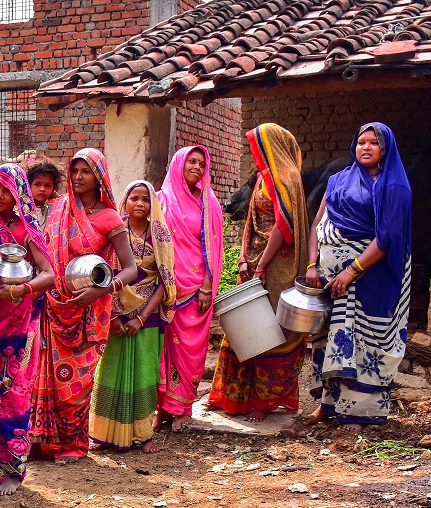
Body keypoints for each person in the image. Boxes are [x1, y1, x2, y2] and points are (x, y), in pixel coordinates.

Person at [30, 149, 139, 464]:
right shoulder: (56, 209)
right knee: (43, 373)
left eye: (86, 171)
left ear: (99, 176)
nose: (77, 177)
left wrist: (102, 289)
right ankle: (39, 440)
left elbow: (130, 269)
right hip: (52, 304)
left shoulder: (109, 218)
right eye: (74, 170)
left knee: (75, 379)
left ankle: (74, 444)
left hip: (88, 311)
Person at [305, 122, 411, 430]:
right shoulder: (338, 180)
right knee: (326, 339)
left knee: (361, 342)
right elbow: (318, 225)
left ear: (385, 149)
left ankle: (359, 413)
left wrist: (351, 271)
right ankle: (327, 405)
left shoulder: (394, 186)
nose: (365, 147)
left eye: (373, 143)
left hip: (368, 279)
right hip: (327, 278)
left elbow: (387, 236)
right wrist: (312, 265)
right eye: (360, 142)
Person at [208, 125, 310, 422]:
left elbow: (283, 226)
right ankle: (232, 396)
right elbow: (252, 220)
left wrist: (263, 264)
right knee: (243, 328)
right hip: (252, 264)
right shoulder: (263, 179)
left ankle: (263, 403)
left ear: (272, 147)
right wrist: (243, 257)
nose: (255, 154)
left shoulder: (286, 179)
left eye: (257, 147)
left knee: (268, 330)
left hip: (275, 265)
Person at [0, 163, 54, 495]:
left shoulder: (26, 230)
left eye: (6, 190)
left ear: (19, 194)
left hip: (19, 327)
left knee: (13, 395)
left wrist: (21, 290)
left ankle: (12, 470)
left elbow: (49, 274)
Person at [89, 181, 177, 453]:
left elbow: (165, 281)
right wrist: (114, 315)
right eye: (134, 198)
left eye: (145, 199)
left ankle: (143, 433)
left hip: (147, 315)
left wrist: (140, 317)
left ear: (153, 205)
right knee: (110, 370)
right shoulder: (114, 233)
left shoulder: (160, 235)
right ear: (124, 202)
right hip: (112, 312)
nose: (140, 203)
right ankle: (102, 434)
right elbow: (102, 273)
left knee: (144, 371)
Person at [157, 146, 224, 431]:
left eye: (201, 162)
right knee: (163, 350)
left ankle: (183, 407)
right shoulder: (162, 200)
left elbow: (215, 247)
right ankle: (163, 409)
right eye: (191, 161)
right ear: (179, 164)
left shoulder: (210, 203)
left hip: (197, 287)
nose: (196, 166)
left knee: (191, 350)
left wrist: (208, 286)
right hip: (167, 289)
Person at [25, 158, 63, 227]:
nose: (42, 189)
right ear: (28, 185)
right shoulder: (22, 211)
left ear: (53, 188)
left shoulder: (52, 212)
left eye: (48, 186)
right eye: (37, 184)